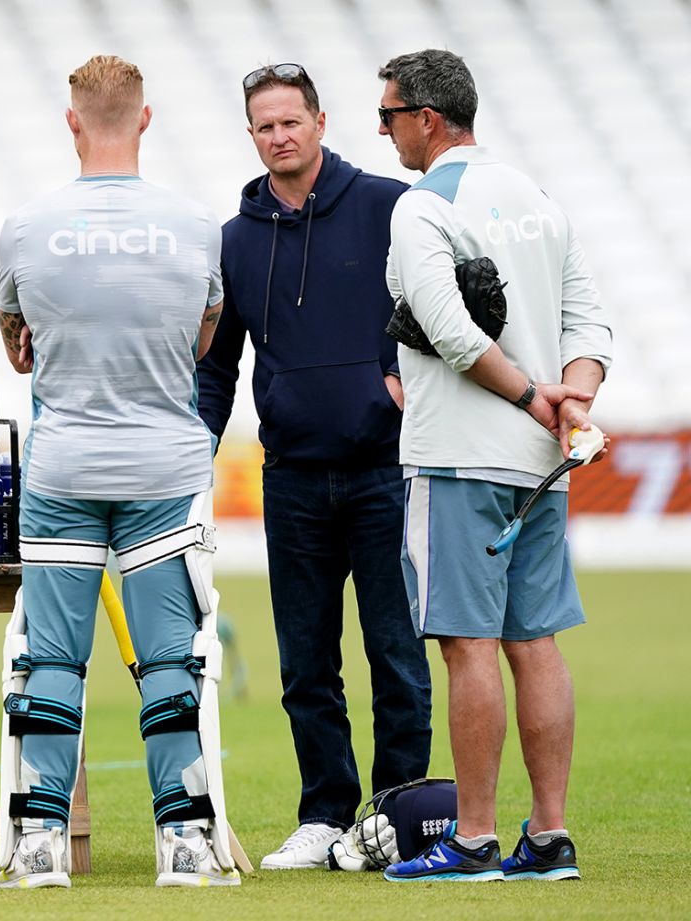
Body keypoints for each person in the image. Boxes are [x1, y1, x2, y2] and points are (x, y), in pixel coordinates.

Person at [0, 54, 237, 888]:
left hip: (63, 463)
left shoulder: (26, 226)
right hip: (165, 463)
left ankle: (39, 845)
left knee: (53, 659)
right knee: (170, 660)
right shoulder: (195, 224)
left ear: (71, 122)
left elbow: (17, 342)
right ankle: (186, 844)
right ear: (144, 118)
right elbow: (204, 338)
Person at [376, 49, 612, 882]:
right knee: (535, 643)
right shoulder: (537, 197)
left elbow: (445, 327)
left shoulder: (421, 205)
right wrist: (570, 400)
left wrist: (531, 399)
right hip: (540, 463)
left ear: (428, 120)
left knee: (469, 647)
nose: (385, 130)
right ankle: (549, 837)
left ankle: (472, 838)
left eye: (391, 115)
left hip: (460, 455)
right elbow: (589, 321)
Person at [196, 63, 432, 869]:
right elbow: (218, 366)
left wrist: (400, 372)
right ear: (253, 135)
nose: (279, 135)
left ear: (321, 121)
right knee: (306, 660)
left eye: (291, 120)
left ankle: (398, 814)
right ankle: (326, 815)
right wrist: (197, 452)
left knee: (396, 652)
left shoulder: (389, 207)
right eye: (264, 125)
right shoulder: (233, 239)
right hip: (292, 472)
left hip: (384, 468)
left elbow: (432, 313)